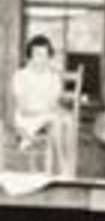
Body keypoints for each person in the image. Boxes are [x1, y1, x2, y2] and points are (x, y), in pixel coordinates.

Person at [11, 34, 69, 165]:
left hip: (47, 119)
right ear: (30, 56)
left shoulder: (53, 77)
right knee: (56, 119)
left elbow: (53, 104)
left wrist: (52, 110)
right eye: (37, 55)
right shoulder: (21, 76)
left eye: (45, 55)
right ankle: (61, 164)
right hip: (25, 119)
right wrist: (46, 110)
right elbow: (24, 109)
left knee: (63, 120)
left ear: (49, 57)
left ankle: (59, 163)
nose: (41, 59)